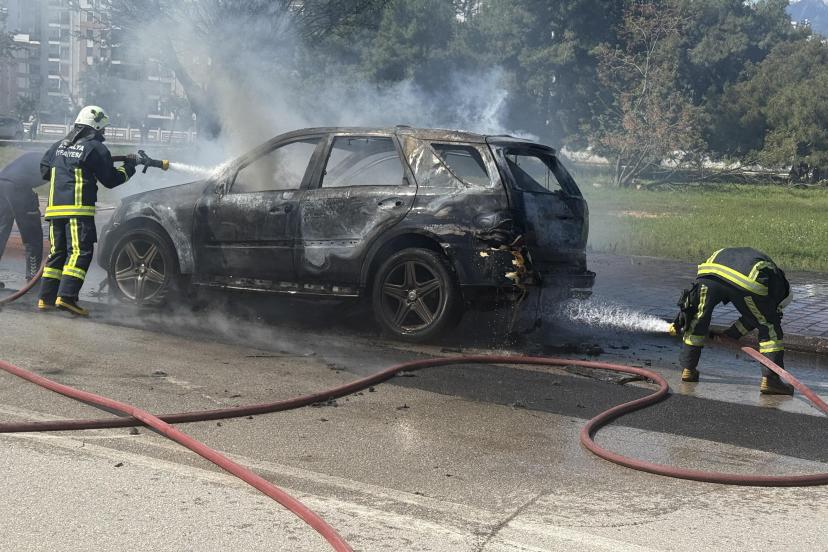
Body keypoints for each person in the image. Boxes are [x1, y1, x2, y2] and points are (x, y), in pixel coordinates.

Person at [37, 105, 137, 316]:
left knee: (57, 253)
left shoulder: (57, 146)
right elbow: (110, 180)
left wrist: (69, 167)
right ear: (96, 127)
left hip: (54, 210)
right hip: (77, 210)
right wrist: (129, 167)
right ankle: (67, 298)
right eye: (103, 129)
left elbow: (45, 171)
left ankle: (46, 299)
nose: (104, 133)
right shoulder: (95, 148)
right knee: (80, 252)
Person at [669, 247, 794, 395]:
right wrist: (770, 316)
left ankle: (688, 369)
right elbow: (761, 317)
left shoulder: (767, 269)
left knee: (697, 318)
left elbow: (752, 316)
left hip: (709, 273)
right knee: (769, 327)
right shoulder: (779, 285)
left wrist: (731, 334)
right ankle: (771, 381)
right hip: (746, 280)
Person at [0, 152, 45, 288]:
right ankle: (32, 279)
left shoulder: (40, 155)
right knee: (33, 236)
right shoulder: (58, 160)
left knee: (1, 233)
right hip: (18, 187)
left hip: (2, 183)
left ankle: (32, 278)